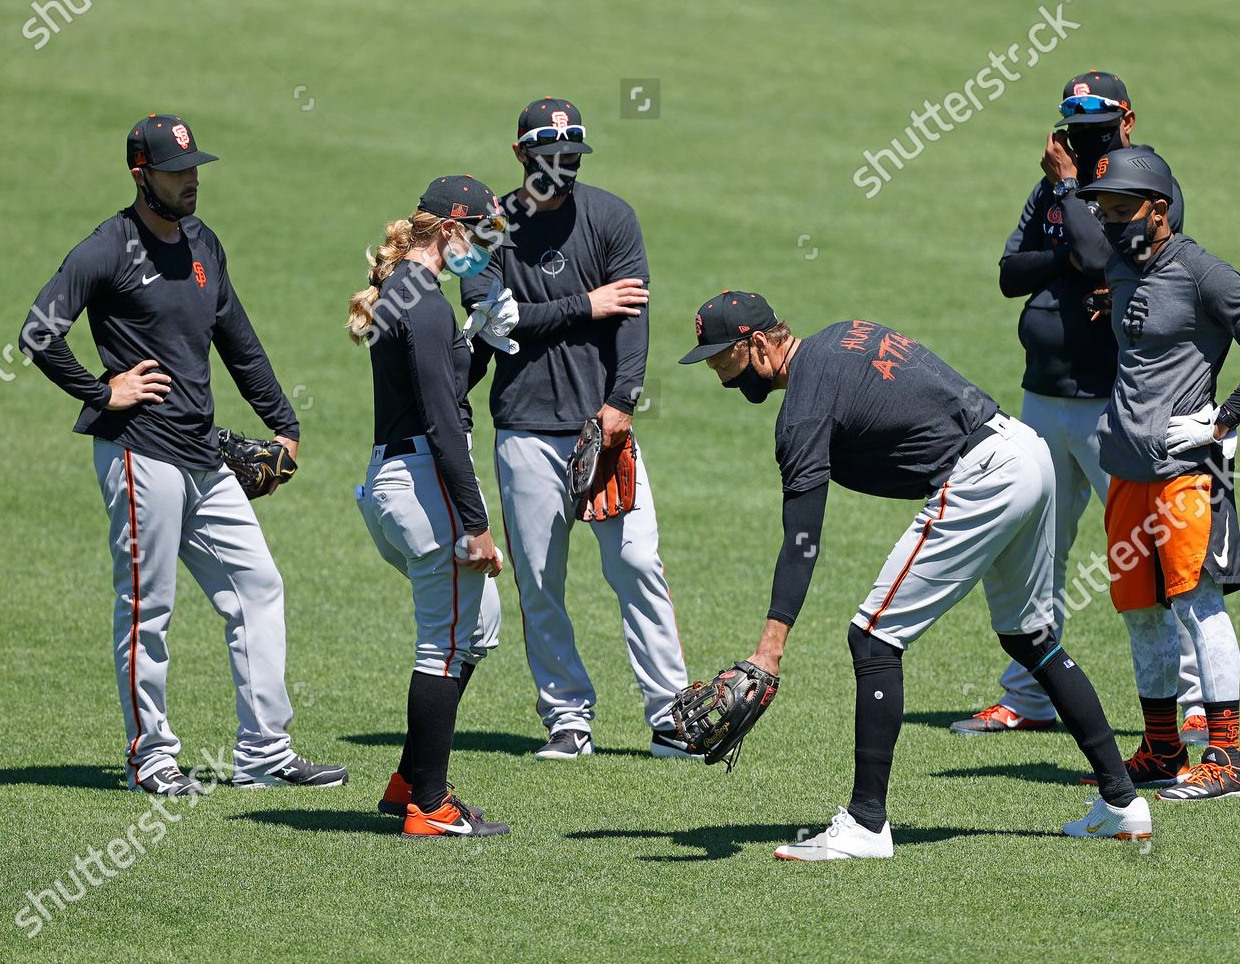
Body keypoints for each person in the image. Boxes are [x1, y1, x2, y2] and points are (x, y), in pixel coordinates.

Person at [679, 292, 1149, 860]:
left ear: (756, 344)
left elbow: (802, 540)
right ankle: (1123, 804)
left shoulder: (802, 407)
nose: (716, 371)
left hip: (983, 475)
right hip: (1025, 449)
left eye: (720, 357)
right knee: (1030, 638)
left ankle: (865, 825)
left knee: (874, 638)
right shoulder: (841, 333)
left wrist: (768, 651)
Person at [19, 114, 345, 795]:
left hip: (204, 454)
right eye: (176, 171)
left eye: (195, 168)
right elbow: (39, 332)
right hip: (140, 455)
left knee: (258, 588)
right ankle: (151, 756)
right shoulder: (107, 248)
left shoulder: (203, 242)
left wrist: (283, 423)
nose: (191, 181)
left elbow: (238, 339)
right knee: (148, 607)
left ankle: (263, 751)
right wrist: (101, 390)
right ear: (142, 175)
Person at [957, 70, 1207, 744]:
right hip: (1042, 397)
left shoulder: (1144, 183)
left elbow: (1102, 254)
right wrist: (1068, 241)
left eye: (1097, 124)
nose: (1082, 137)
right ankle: (1031, 696)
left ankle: (1191, 703)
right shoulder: (1052, 184)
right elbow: (1012, 273)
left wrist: (1070, 201)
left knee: (1144, 553)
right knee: (1034, 548)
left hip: (1112, 404)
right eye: (1074, 122)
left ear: (1127, 120)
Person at [459, 97, 694, 760]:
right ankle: (568, 717)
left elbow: (634, 318)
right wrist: (584, 304)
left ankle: (672, 717)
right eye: (547, 156)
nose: (560, 168)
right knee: (539, 580)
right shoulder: (487, 231)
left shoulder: (613, 217)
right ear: (520, 155)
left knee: (638, 566)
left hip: (603, 426)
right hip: (525, 428)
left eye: (571, 156)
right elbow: (494, 324)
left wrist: (621, 404)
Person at [1080, 148, 1240, 799]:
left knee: (1198, 606)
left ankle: (1228, 759)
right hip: (1126, 469)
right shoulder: (1122, 268)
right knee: (1140, 611)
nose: (1112, 224)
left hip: (1187, 473)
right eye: (1105, 212)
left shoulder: (1203, 272)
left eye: (1123, 212)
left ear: (1161, 209)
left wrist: (1223, 421)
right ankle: (1162, 747)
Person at [348, 175, 511, 837]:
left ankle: (410, 780)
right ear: (448, 230)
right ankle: (431, 807)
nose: (485, 249)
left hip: (403, 475)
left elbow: (438, 388)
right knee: (442, 648)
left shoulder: (410, 292)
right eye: (480, 234)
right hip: (421, 482)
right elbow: (444, 421)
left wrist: (482, 344)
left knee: (480, 624)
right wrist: (475, 525)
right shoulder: (423, 301)